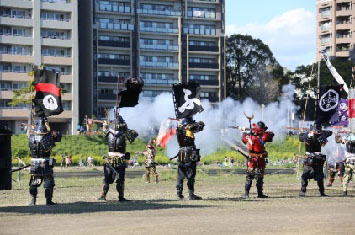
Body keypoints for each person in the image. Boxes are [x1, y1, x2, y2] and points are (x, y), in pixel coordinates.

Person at [97, 115, 138, 201]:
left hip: (112, 159)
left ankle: (107, 195)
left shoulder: (110, 130)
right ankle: (116, 196)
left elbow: (103, 135)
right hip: (118, 159)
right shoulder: (124, 132)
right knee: (115, 179)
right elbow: (133, 137)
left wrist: (105, 126)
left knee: (113, 179)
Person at [28, 117, 61, 206]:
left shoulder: (31, 137)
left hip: (34, 163)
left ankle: (33, 200)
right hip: (44, 163)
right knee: (49, 182)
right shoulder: (47, 138)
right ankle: (48, 201)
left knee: (34, 182)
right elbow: (57, 138)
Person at [242, 121, 274, 198]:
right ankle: (258, 194)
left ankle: (247, 194)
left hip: (253, 159)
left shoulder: (251, 136)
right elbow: (270, 135)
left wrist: (244, 132)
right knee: (257, 178)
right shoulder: (262, 136)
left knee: (251, 177)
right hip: (258, 160)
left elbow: (243, 139)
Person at [299, 124, 332, 197]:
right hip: (309, 159)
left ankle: (322, 192)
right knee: (305, 177)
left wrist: (322, 135)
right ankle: (303, 191)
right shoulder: (307, 135)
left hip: (318, 159)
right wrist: (305, 136)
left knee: (320, 178)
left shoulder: (321, 134)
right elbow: (300, 137)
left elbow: (330, 132)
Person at [175, 117, 204, 200]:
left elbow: (198, 127)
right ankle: (191, 195)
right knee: (190, 175)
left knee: (180, 175)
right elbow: (200, 126)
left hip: (181, 153)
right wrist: (195, 123)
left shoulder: (179, 129)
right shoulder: (188, 129)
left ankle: (179, 194)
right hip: (189, 153)